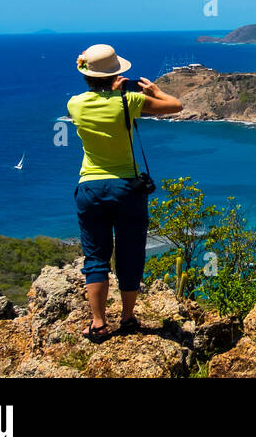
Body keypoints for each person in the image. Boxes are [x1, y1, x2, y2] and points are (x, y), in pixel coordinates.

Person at [68, 43, 182, 342]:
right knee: (130, 253)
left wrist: (111, 90)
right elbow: (175, 106)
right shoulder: (129, 101)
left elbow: (96, 100)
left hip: (90, 186)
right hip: (127, 188)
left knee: (95, 258)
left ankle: (98, 322)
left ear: (87, 75)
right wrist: (154, 90)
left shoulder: (75, 105)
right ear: (117, 75)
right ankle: (128, 318)